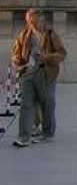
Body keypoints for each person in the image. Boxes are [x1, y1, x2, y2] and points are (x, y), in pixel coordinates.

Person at [9, 8, 67, 147]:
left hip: (45, 73)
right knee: (26, 105)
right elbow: (15, 52)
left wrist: (46, 58)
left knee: (47, 103)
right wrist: (17, 59)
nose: (32, 25)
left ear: (41, 20)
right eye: (29, 21)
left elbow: (62, 53)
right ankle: (24, 136)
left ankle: (47, 133)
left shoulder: (50, 35)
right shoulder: (24, 35)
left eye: (34, 21)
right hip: (27, 72)